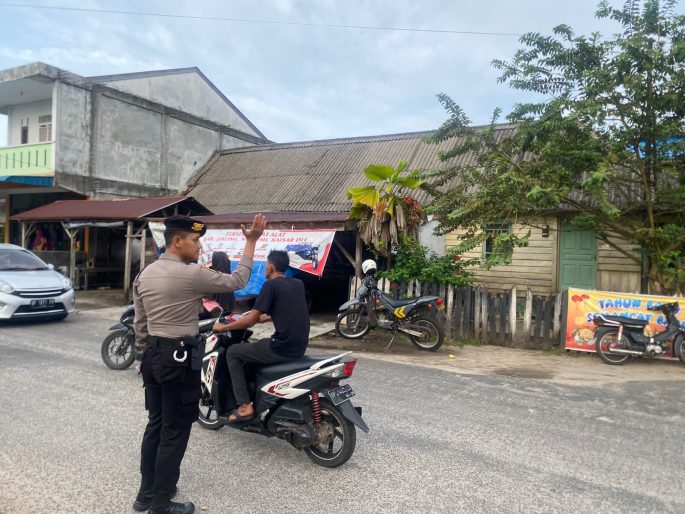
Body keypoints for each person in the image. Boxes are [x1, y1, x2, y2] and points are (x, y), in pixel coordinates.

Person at [132, 214, 266, 514]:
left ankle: (145, 494)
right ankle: (161, 503)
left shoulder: (144, 274)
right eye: (195, 240)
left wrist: (142, 355)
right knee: (174, 430)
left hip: (153, 356)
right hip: (179, 359)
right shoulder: (191, 274)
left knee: (155, 424)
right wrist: (251, 241)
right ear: (177, 241)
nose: (200, 246)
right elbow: (238, 281)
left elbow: (140, 324)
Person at [213, 250, 310, 423]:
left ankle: (244, 406)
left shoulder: (270, 285)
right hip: (299, 346)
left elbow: (249, 321)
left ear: (270, 267)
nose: (265, 268)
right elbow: (289, 309)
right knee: (253, 348)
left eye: (265, 265)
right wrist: (267, 317)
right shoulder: (298, 283)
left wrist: (223, 327)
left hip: (281, 347)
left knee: (233, 352)